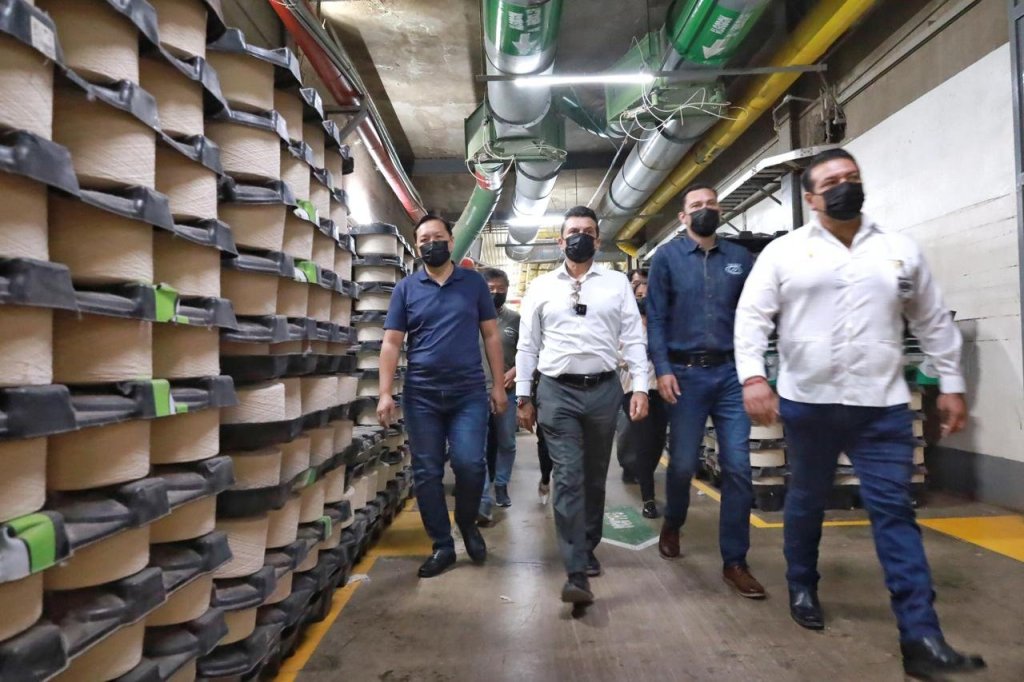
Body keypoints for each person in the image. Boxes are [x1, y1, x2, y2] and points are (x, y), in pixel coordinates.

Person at [734, 148, 985, 678]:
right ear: (811, 198)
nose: (844, 186)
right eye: (830, 181)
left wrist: (951, 382)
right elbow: (752, 317)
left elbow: (932, 320)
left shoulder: (898, 251)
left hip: (881, 407)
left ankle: (921, 636)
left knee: (894, 513)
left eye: (851, 177)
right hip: (810, 403)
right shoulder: (785, 253)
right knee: (806, 501)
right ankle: (802, 584)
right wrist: (753, 377)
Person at [516, 205, 649, 606]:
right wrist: (524, 396)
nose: (580, 237)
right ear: (560, 241)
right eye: (573, 231)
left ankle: (587, 545)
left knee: (594, 476)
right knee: (569, 476)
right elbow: (528, 345)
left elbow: (633, 338)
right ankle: (575, 570)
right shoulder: (541, 288)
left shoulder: (616, 284)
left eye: (588, 231)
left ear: (598, 239)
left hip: (604, 390)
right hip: (557, 392)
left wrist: (640, 387)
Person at [645, 184, 765, 599]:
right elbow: (656, 318)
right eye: (696, 206)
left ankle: (735, 561)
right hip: (685, 374)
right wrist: (662, 369)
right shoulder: (667, 258)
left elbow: (754, 316)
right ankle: (673, 521)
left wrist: (756, 374)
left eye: (711, 204)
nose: (705, 209)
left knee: (739, 469)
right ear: (682, 217)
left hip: (731, 374)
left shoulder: (740, 259)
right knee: (681, 465)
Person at [377, 214, 508, 579]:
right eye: (423, 240)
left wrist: (498, 385)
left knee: (470, 464)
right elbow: (391, 342)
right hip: (422, 395)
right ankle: (442, 545)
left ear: (451, 241)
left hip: (468, 392)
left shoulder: (473, 284)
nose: (430, 244)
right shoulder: (406, 289)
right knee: (427, 472)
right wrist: (384, 392)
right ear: (417, 247)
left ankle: (466, 523)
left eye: (437, 237)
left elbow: (491, 336)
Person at [476, 268, 520, 525]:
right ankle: (483, 498)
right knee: (478, 447)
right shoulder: (469, 317)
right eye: (490, 289)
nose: (495, 293)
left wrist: (514, 372)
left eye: (501, 289)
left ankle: (501, 484)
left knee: (507, 442)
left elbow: (528, 351)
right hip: (476, 390)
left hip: (506, 390)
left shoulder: (515, 319)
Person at [617, 293, 667, 518]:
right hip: (634, 393)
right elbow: (618, 358)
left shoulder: (662, 332)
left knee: (658, 441)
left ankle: (641, 472)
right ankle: (648, 499)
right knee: (643, 443)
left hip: (660, 392)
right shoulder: (625, 333)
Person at [618, 268, 650, 484]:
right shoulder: (625, 321)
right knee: (630, 429)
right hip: (629, 385)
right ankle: (630, 467)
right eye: (638, 295)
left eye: (646, 296)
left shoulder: (659, 322)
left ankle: (645, 470)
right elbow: (618, 354)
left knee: (651, 434)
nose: (642, 299)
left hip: (656, 386)